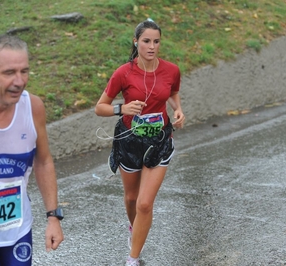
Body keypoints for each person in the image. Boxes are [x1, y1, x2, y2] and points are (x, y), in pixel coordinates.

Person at [95, 19, 185, 266]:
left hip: (159, 141)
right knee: (132, 198)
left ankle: (132, 258)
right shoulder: (124, 73)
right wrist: (121, 108)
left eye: (156, 41)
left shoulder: (171, 70)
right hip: (130, 142)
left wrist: (178, 110)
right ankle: (133, 229)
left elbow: (173, 92)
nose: (152, 46)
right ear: (136, 42)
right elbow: (99, 108)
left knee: (145, 203)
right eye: (146, 41)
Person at [0, 34, 64, 265]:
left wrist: (54, 217)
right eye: (9, 72)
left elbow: (43, 162)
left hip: (18, 229)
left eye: (24, 71)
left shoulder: (32, 107)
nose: (19, 81)